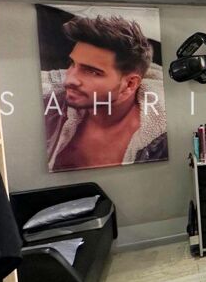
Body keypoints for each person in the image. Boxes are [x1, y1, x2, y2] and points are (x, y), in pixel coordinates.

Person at [44, 15, 167, 170]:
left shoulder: (162, 141)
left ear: (129, 84)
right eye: (72, 63)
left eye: (92, 72)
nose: (70, 79)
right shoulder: (48, 108)